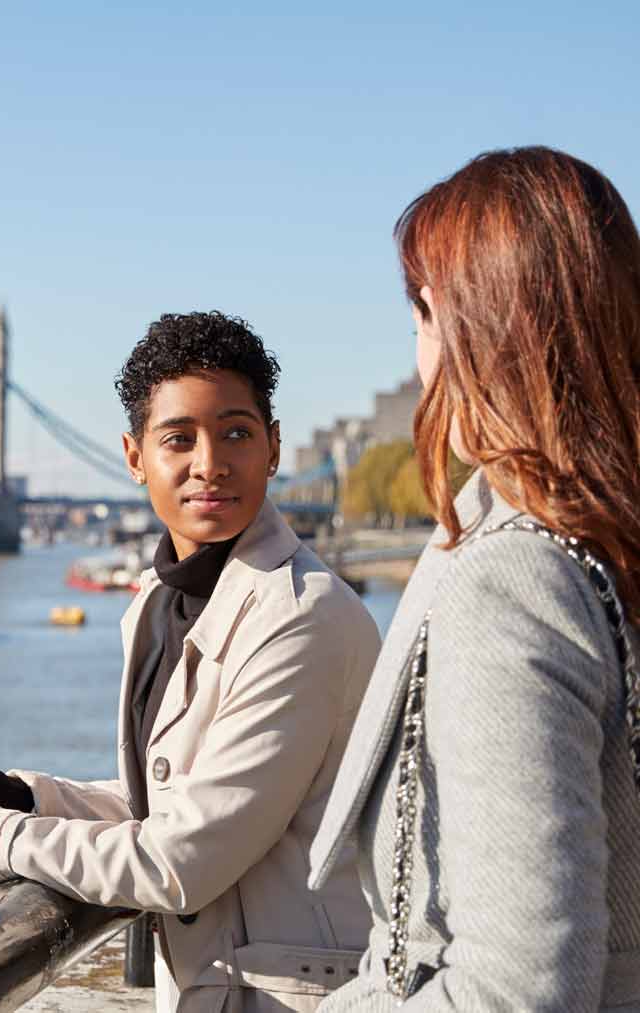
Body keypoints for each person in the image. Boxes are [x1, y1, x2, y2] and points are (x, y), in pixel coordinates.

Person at [0, 312, 381, 1012]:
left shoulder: (302, 615)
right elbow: (160, 805)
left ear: (274, 446)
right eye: (178, 438)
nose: (211, 463)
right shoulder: (158, 601)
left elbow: (179, 860)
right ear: (134, 457)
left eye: (236, 433)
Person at [307, 146, 640, 1010]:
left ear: (484, 330)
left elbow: (519, 988)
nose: (418, 361)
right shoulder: (610, 546)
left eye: (421, 317)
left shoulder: (515, 582)